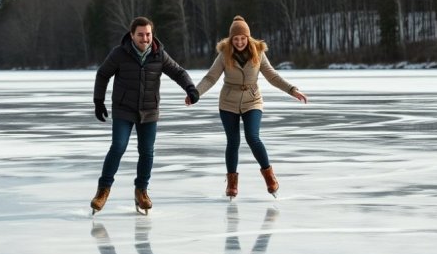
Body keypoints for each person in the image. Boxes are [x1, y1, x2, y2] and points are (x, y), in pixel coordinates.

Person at [186, 15, 307, 199]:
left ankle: (269, 176)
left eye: (243, 38)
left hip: (252, 100)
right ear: (231, 39)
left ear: (248, 38)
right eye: (236, 39)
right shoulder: (224, 53)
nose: (240, 42)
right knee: (233, 142)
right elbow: (211, 77)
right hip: (228, 102)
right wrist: (195, 93)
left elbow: (272, 76)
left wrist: (292, 90)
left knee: (253, 137)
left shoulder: (258, 52)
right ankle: (232, 183)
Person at [91, 16, 200, 215]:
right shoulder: (119, 53)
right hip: (124, 109)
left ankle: (141, 191)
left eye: (148, 34)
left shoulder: (159, 55)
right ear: (132, 35)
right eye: (140, 34)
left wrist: (190, 88)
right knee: (118, 147)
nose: (145, 38)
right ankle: (103, 190)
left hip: (149, 110)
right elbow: (103, 74)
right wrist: (99, 101)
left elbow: (178, 72)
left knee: (147, 152)